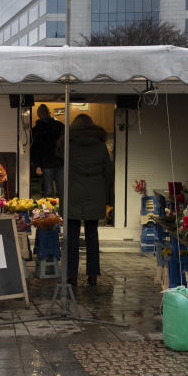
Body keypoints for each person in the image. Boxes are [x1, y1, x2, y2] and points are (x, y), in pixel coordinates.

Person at [64, 114, 113, 287]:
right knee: (92, 235)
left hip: (73, 194)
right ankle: (92, 274)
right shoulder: (100, 146)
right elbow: (108, 170)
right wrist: (104, 191)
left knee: (72, 237)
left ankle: (71, 275)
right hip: (95, 195)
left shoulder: (68, 145)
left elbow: (61, 166)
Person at [31, 104, 64, 197]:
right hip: (59, 161)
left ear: (38, 114)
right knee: (61, 190)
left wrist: (37, 165)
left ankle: (50, 211)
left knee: (49, 191)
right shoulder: (59, 126)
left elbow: (34, 149)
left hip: (47, 163)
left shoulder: (35, 130)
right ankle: (61, 210)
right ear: (49, 113)